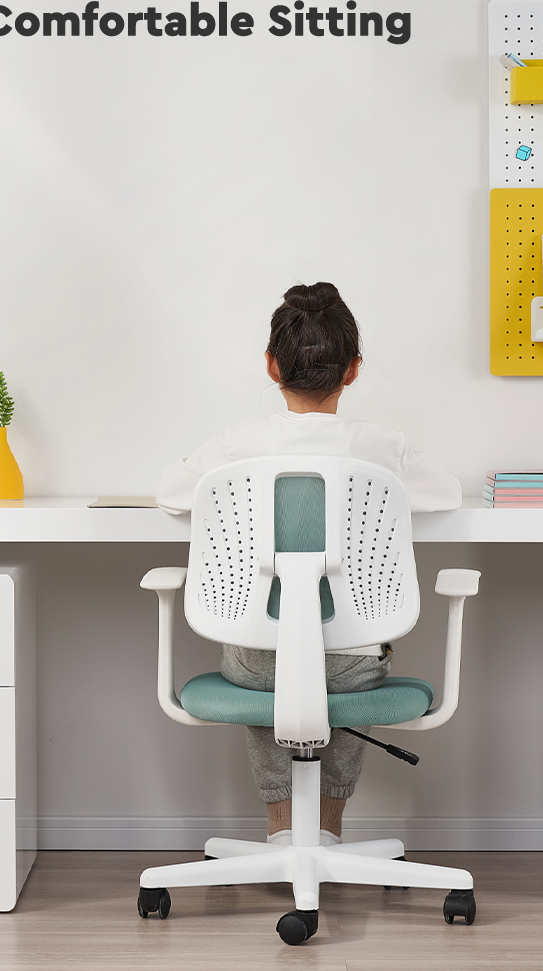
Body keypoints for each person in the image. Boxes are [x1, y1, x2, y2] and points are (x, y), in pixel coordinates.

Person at [157, 282, 461, 845]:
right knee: (339, 660)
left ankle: (282, 839)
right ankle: (323, 841)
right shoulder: (381, 447)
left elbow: (171, 494)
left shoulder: (237, 443)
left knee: (273, 661)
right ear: (353, 370)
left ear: (273, 367)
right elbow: (447, 495)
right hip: (349, 665)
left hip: (253, 662)